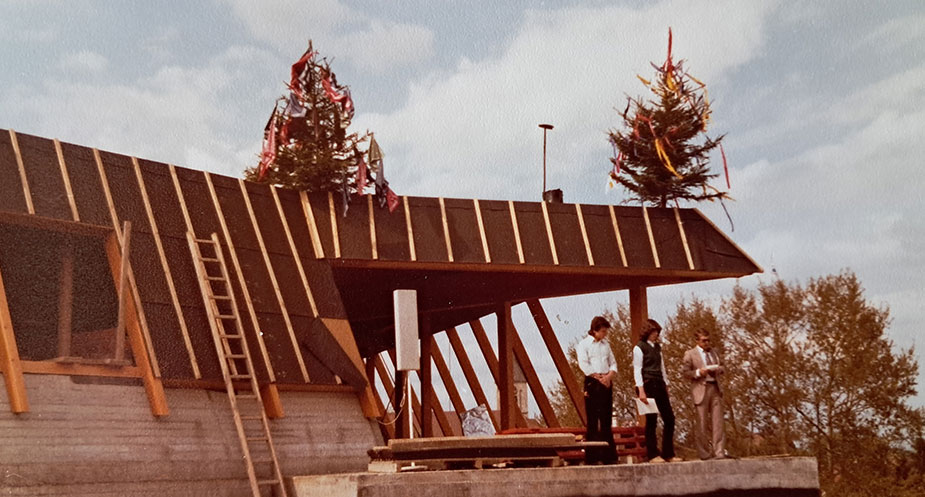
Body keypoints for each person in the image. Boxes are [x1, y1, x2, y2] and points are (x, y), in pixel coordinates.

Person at [633, 318, 679, 463]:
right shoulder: (639, 347)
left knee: (669, 418)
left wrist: (666, 384)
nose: (656, 335)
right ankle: (652, 454)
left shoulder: (658, 348)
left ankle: (668, 453)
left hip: (659, 383)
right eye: (653, 332)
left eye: (657, 332)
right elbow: (637, 369)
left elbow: (662, 367)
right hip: (647, 384)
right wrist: (641, 391)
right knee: (651, 420)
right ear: (647, 332)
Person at [576, 315, 618, 464]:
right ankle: (592, 457)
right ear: (595, 330)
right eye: (603, 332)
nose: (604, 335)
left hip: (606, 381)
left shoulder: (606, 345)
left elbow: (613, 363)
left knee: (606, 420)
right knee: (593, 420)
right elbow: (583, 364)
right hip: (593, 382)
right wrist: (598, 377)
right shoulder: (583, 345)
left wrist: (609, 376)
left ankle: (609, 456)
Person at [682, 329, 726, 460]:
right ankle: (704, 453)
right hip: (701, 388)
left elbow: (723, 366)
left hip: (715, 387)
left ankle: (719, 451)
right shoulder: (690, 354)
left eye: (708, 340)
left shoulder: (714, 352)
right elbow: (685, 373)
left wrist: (718, 370)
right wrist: (698, 373)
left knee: (718, 422)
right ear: (697, 341)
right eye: (703, 340)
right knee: (701, 423)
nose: (707, 343)